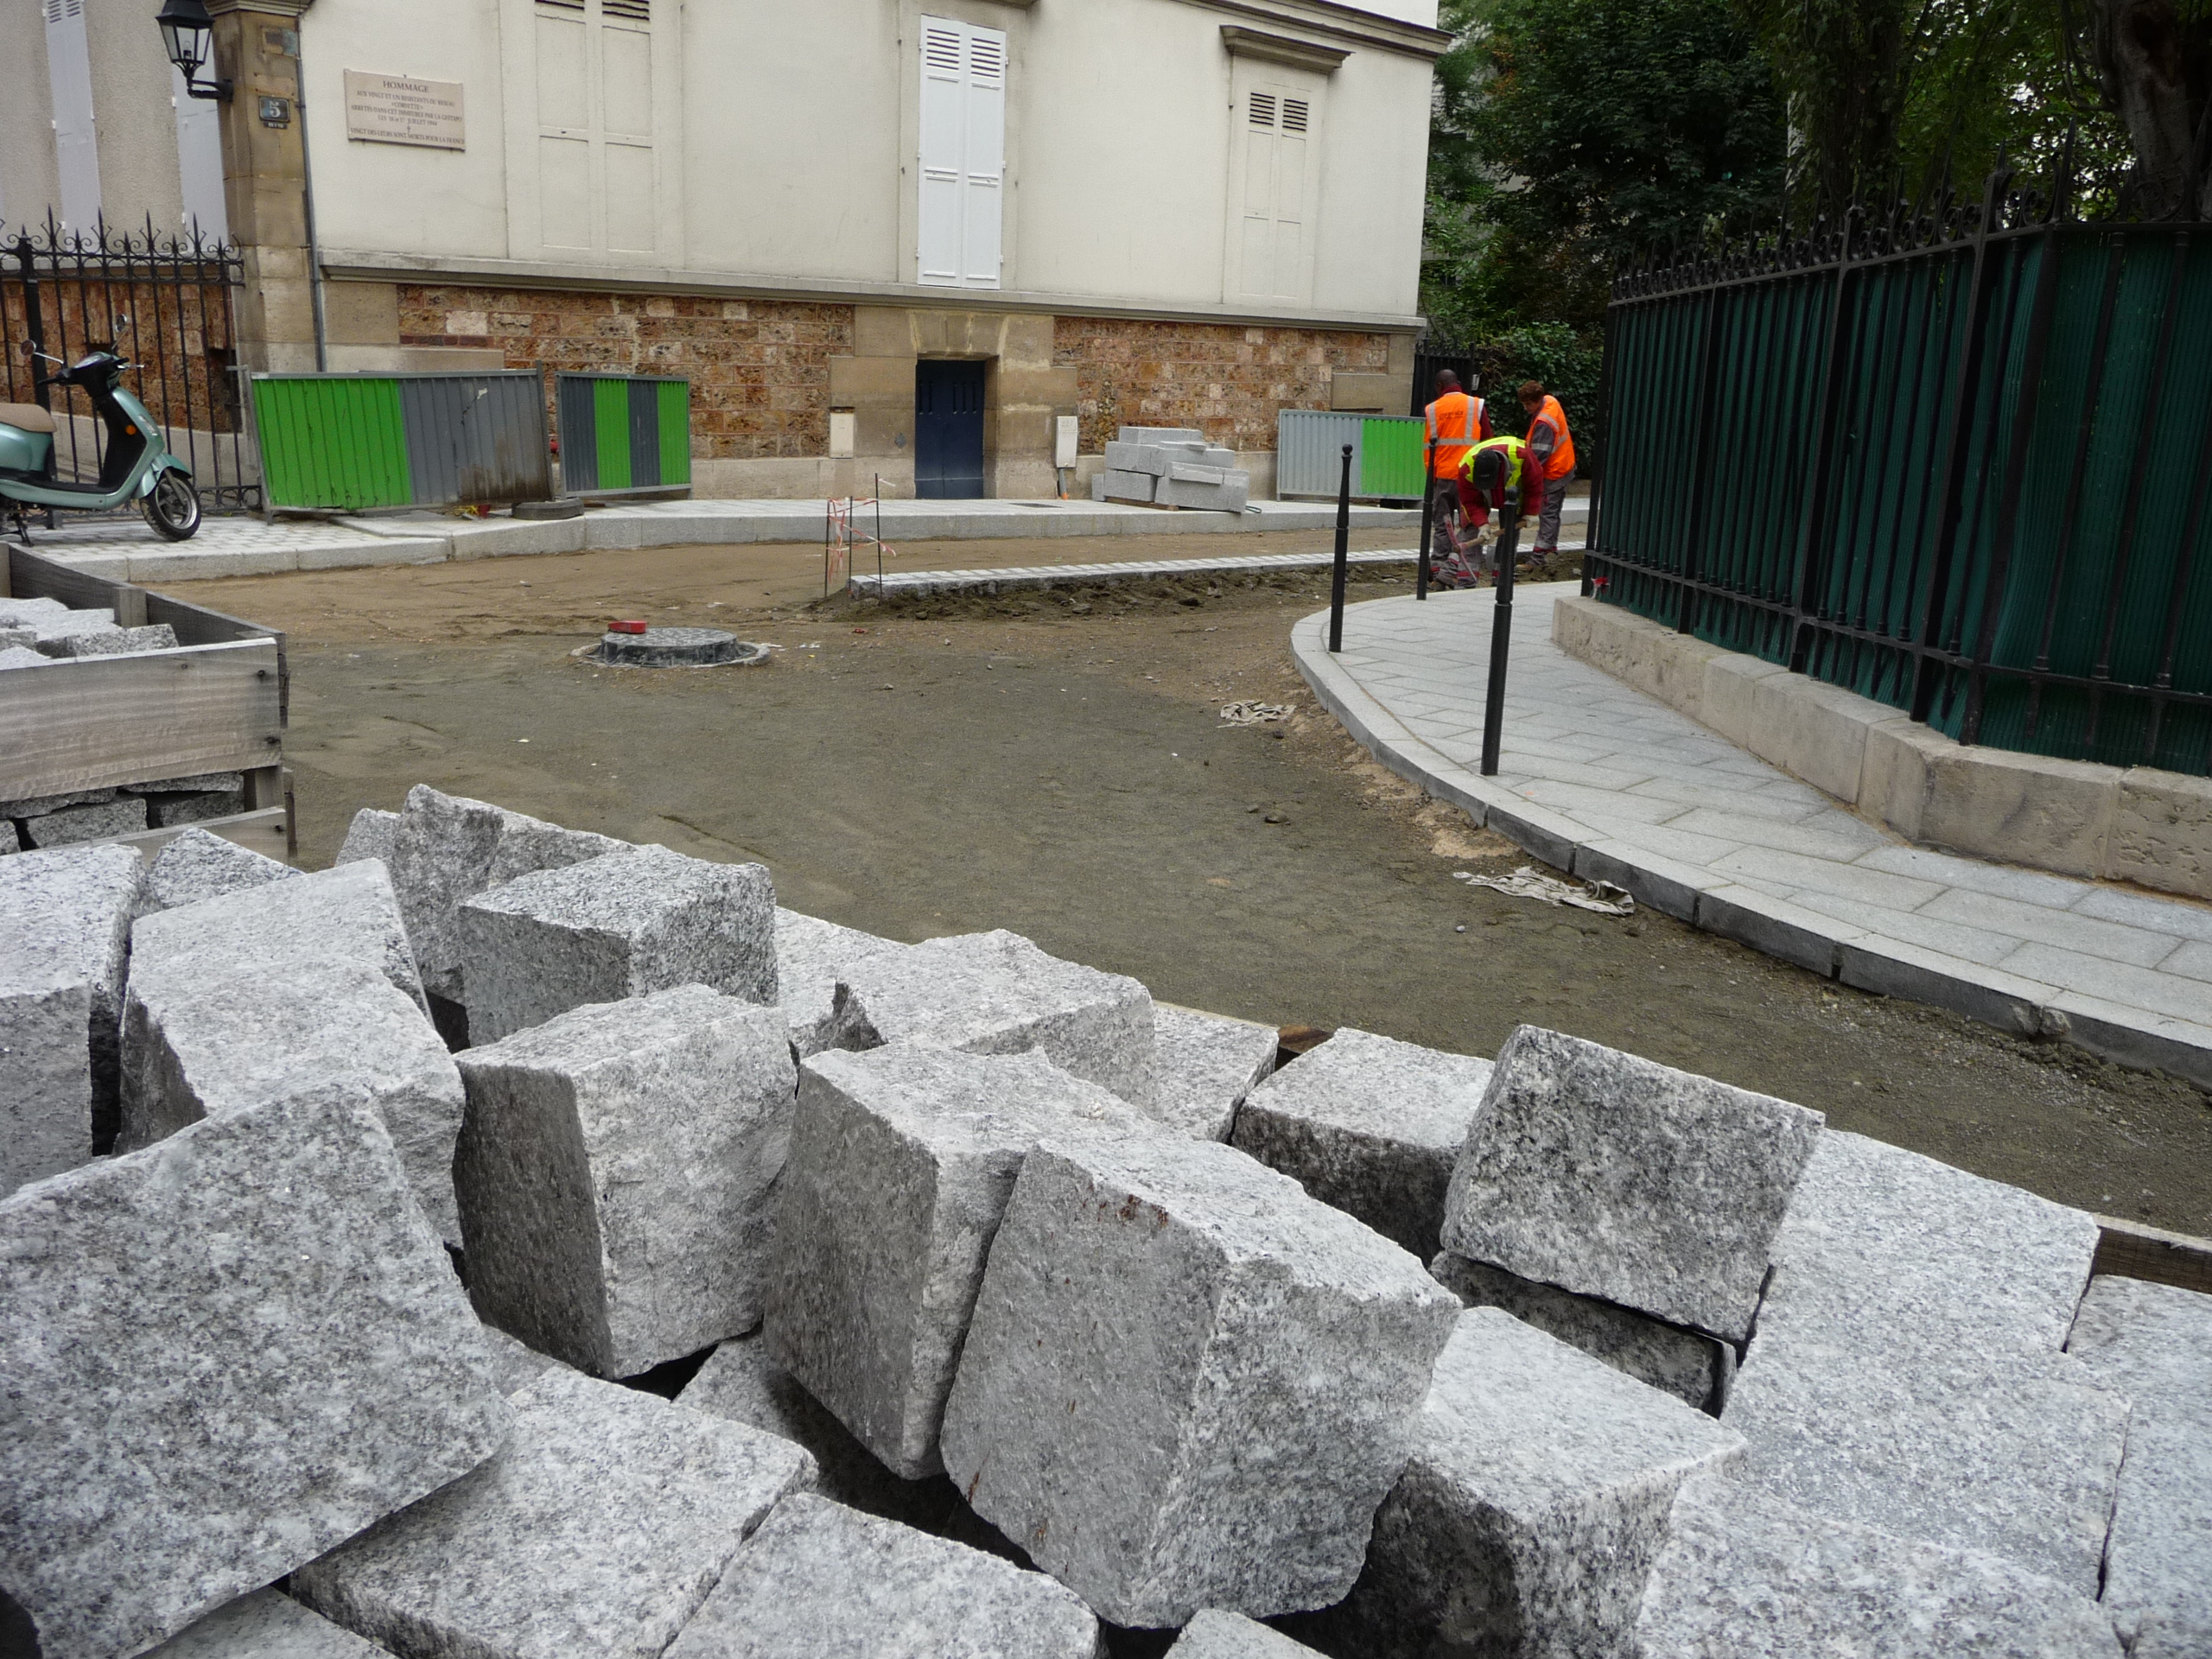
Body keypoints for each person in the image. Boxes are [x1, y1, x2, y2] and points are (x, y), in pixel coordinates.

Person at [1423, 370, 1493, 583]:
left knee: (1443, 525)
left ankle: (1438, 567)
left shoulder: (1432, 409)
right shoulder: (1476, 405)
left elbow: (1428, 448)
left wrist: (1432, 478)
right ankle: (1465, 573)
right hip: (1469, 478)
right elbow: (1488, 442)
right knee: (1470, 525)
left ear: (1439, 387)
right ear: (1459, 384)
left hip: (1443, 477)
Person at [1517, 379, 1576, 560]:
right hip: (1563, 465)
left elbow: (1538, 459)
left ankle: (1540, 557)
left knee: (1548, 513)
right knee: (1552, 512)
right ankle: (1550, 552)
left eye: (1528, 404)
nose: (1526, 408)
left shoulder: (1544, 422)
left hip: (1554, 472)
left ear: (1537, 400)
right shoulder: (1550, 401)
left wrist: (1525, 481)